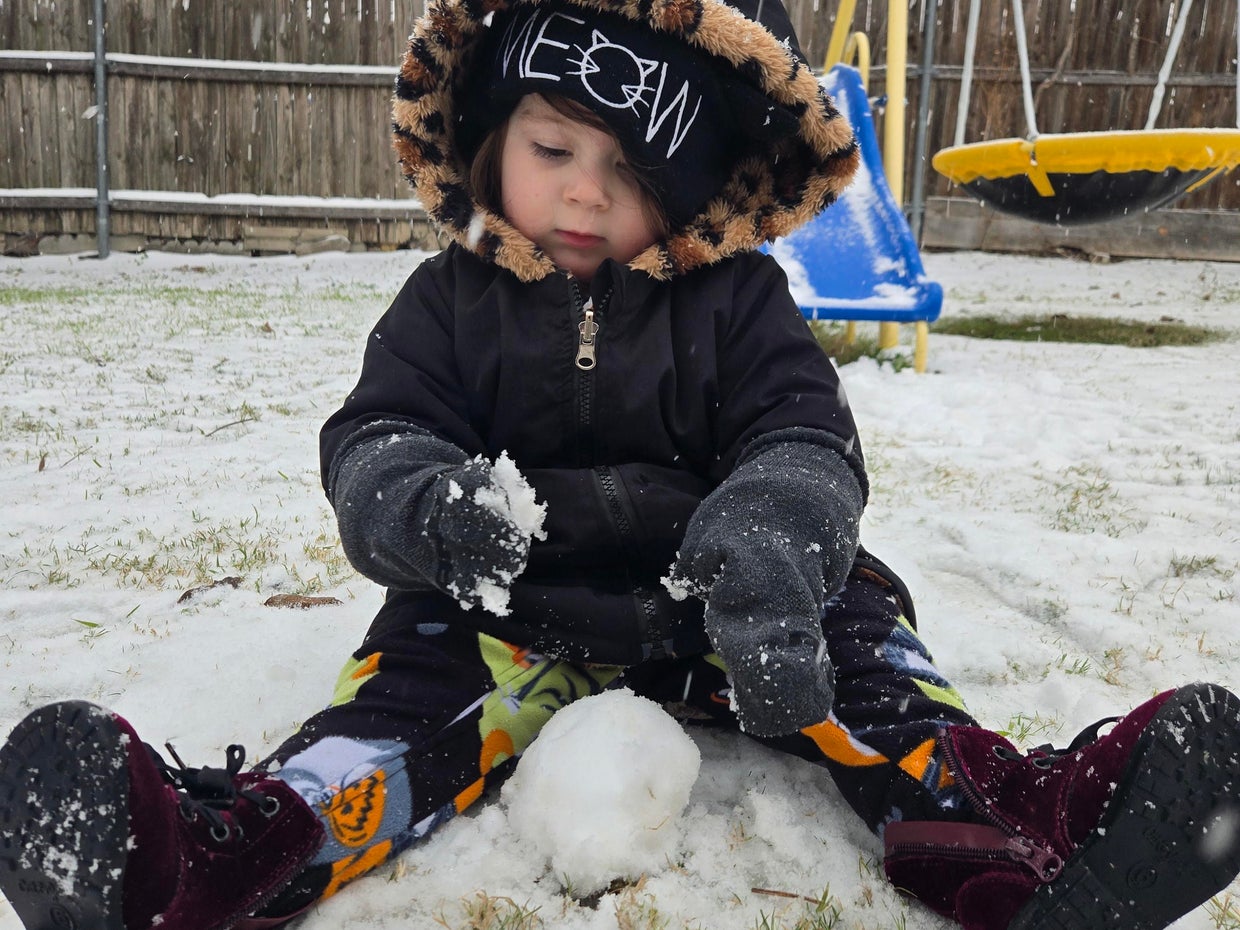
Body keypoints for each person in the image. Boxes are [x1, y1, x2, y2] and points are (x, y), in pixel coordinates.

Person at [1, 0, 1237, 927]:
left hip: (738, 611)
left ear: (698, 192)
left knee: (872, 672)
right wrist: (423, 509)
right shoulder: (445, 304)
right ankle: (221, 851)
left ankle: (1023, 834)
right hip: (510, 613)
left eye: (632, 170)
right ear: (489, 145)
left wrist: (772, 537)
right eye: (554, 150)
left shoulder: (743, 305)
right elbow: (375, 437)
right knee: (395, 710)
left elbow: (806, 441)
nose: (586, 197)